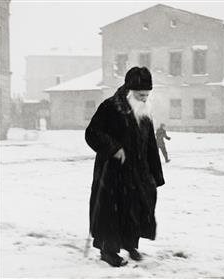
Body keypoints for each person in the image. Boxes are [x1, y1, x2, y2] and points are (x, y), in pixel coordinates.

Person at [85, 66, 165, 267]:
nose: (145, 98)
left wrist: (155, 174)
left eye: (147, 95)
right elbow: (92, 133)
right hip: (113, 173)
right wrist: (113, 148)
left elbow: (150, 145)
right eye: (141, 95)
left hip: (138, 172)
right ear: (129, 92)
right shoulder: (110, 107)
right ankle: (108, 250)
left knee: (135, 209)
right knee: (112, 212)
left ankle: (130, 243)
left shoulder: (144, 111)